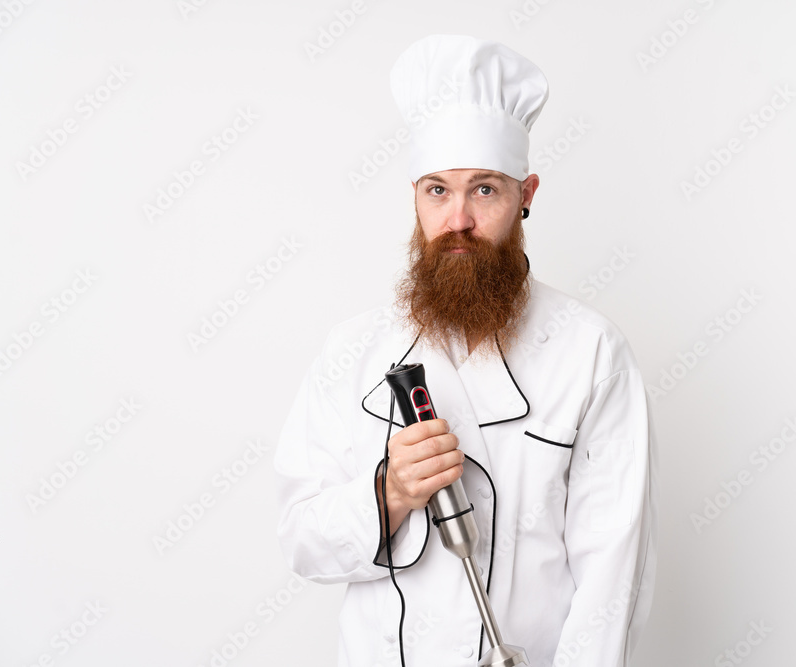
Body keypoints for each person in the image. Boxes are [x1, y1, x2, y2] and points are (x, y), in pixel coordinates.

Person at [274, 34, 657, 667]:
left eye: (484, 189)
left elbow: (613, 580)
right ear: (414, 198)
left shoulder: (590, 353)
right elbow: (302, 542)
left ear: (526, 194)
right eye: (437, 190)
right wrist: (389, 492)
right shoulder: (352, 351)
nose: (458, 220)